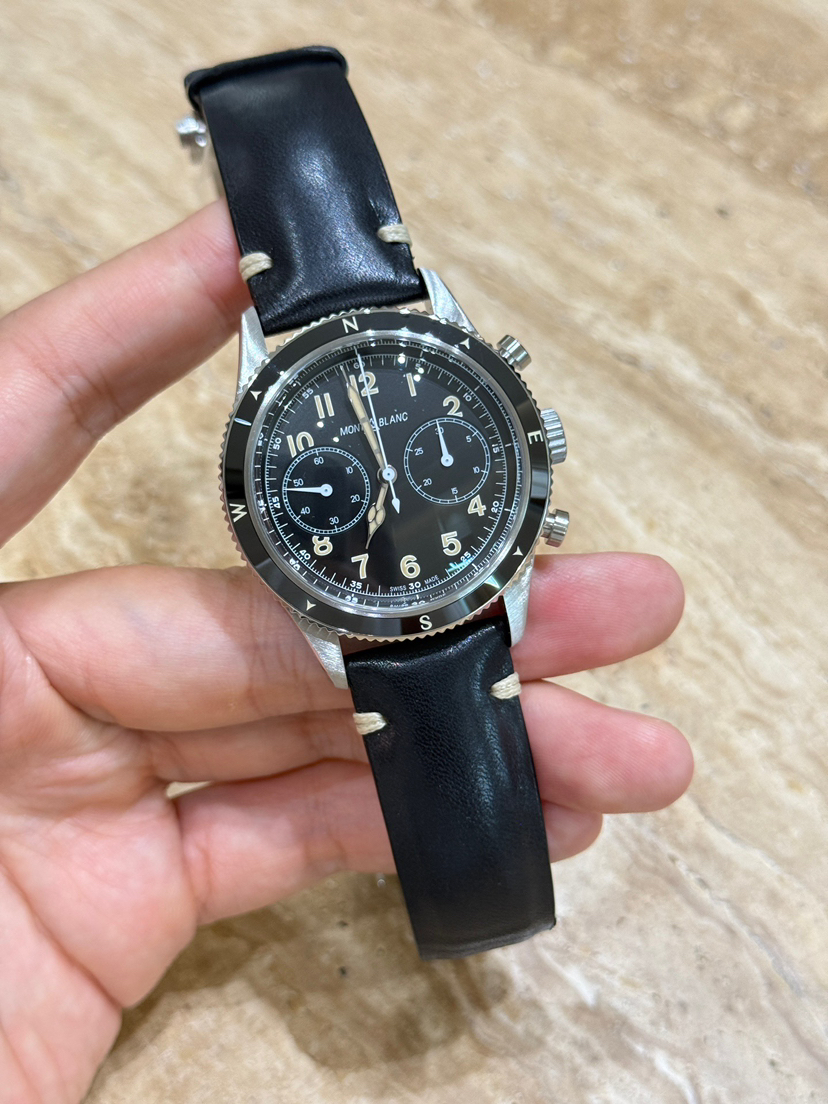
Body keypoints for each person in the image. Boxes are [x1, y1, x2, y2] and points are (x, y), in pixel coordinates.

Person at [0, 200, 693, 1104]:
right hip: (374, 608)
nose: (400, 474)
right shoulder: (294, 435)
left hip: (440, 589)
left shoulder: (422, 357)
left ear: (532, 441)